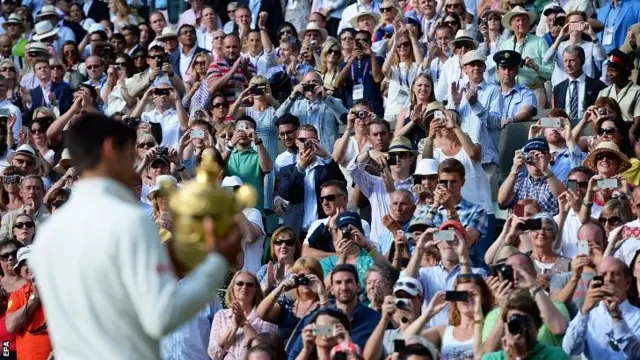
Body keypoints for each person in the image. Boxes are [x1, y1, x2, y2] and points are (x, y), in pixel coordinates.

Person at [30, 113, 244, 358]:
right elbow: (161, 315)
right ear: (111, 149)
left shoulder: (50, 232)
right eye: (130, 152)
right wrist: (215, 264)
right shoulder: (130, 221)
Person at [288, 264, 381, 360]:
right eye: (338, 282)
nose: (344, 287)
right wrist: (307, 349)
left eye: (349, 282)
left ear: (358, 286)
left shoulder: (376, 319)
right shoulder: (316, 319)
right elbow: (292, 357)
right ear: (331, 289)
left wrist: (348, 346)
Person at [562, 256, 640, 358]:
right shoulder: (587, 316)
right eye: (603, 274)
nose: (608, 279)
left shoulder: (637, 316)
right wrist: (584, 311)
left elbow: (637, 354)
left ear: (628, 282)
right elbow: (570, 349)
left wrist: (617, 318)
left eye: (615, 274)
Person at [208, 271, 277, 360]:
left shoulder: (266, 316)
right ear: (232, 288)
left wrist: (244, 323)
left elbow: (266, 352)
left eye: (249, 284)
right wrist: (233, 328)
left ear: (255, 289)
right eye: (239, 283)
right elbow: (214, 354)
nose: (244, 287)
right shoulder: (221, 315)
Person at [256, 257, 327, 342]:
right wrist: (279, 288)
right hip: (285, 354)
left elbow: (327, 331)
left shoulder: (326, 304)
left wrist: (322, 295)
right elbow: (261, 314)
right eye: (301, 276)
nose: (305, 280)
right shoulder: (287, 304)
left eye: (310, 276)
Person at [482, 291, 570, 360]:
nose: (521, 329)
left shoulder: (555, 356)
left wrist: (519, 358)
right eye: (514, 323)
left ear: (537, 326)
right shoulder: (491, 358)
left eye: (526, 322)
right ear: (506, 327)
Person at [6, 245, 52, 359]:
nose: (30, 265)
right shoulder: (17, 294)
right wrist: (35, 297)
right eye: (25, 263)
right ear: (20, 272)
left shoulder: (58, 290)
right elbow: (11, 326)